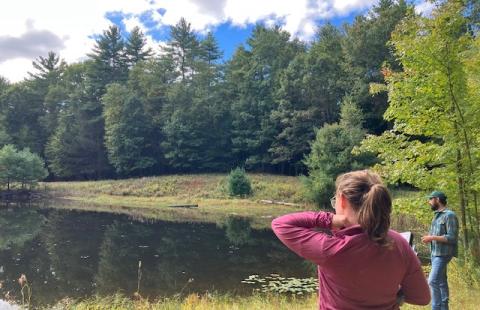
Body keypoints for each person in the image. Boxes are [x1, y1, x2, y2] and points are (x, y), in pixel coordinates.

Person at [272, 170, 430, 309]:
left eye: (335, 200)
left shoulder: (332, 248)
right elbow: (422, 298)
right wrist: (397, 296)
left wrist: (330, 219)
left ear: (342, 200)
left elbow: (281, 224)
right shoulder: (399, 243)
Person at [421, 191, 459, 310]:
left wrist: (432, 237)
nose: (429, 202)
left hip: (443, 254)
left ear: (437, 199)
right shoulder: (437, 215)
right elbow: (438, 235)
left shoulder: (450, 215)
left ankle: (436, 307)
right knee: (441, 282)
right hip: (435, 253)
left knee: (432, 281)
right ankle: (444, 307)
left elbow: (452, 237)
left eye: (430, 199)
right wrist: (429, 238)